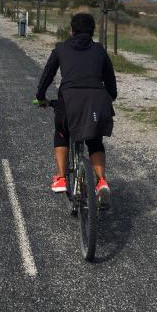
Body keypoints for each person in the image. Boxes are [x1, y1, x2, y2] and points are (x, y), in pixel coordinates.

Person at [35, 12, 117, 207]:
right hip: (97, 100)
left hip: (69, 100)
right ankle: (101, 181)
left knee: (62, 132)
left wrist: (41, 98)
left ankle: (62, 178)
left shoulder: (60, 49)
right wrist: (108, 98)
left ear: (72, 30)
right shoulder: (100, 50)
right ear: (92, 31)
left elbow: (47, 75)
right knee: (95, 140)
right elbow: (111, 84)